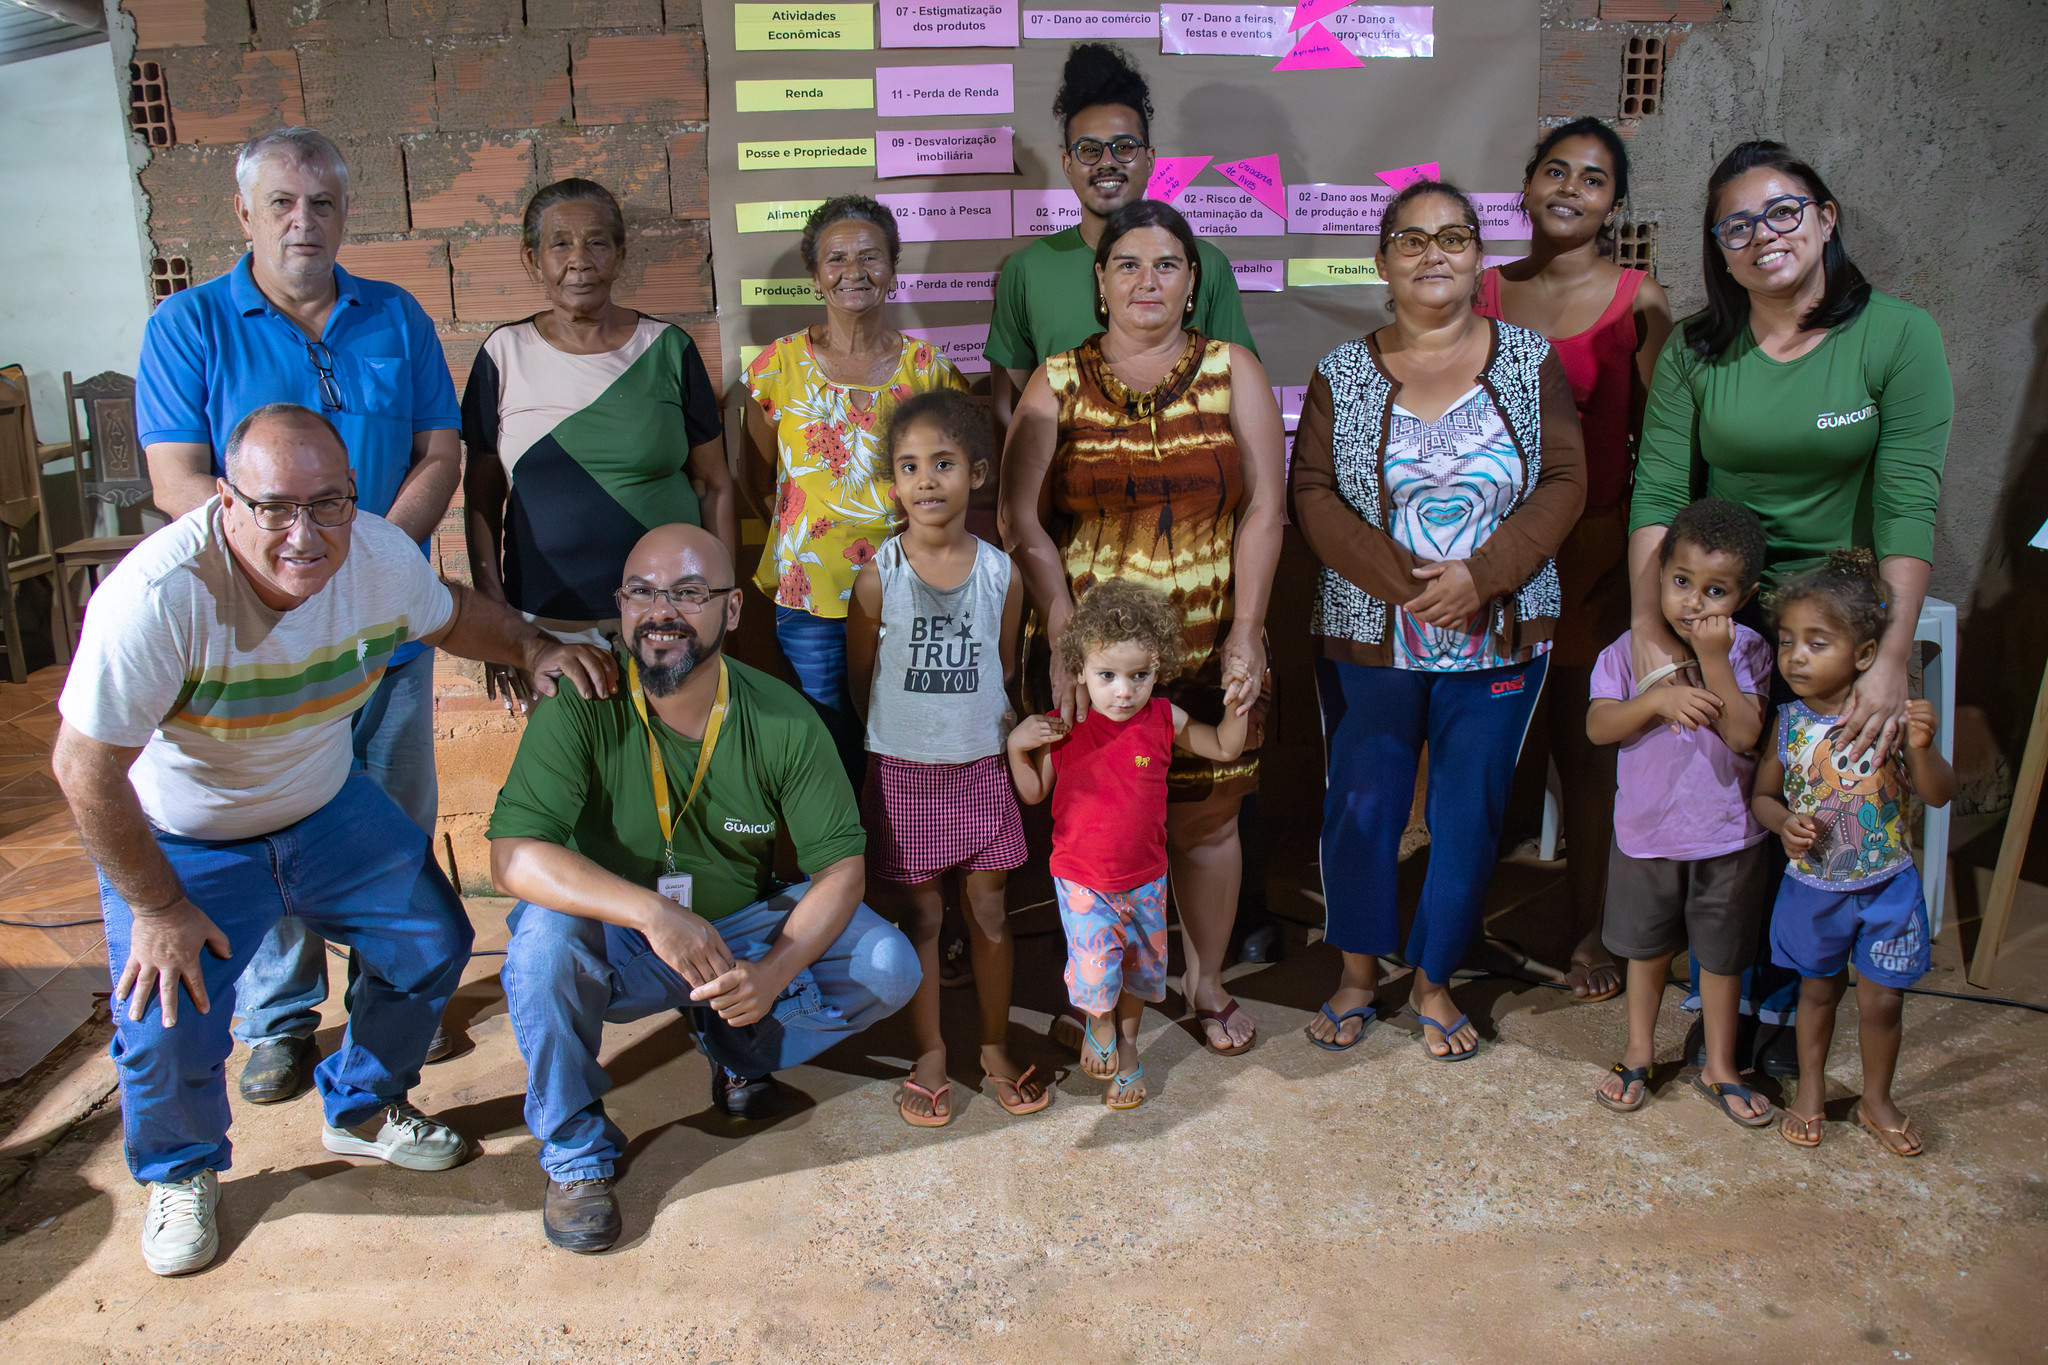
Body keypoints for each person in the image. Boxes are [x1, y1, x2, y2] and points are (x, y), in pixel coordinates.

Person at [51, 404, 616, 1277]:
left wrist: (535, 646)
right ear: (225, 502)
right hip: (190, 836)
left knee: (431, 939)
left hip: (324, 806)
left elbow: (451, 614)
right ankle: (181, 1171)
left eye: (328, 503)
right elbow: (83, 768)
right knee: (164, 1014)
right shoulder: (161, 595)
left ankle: (359, 1105)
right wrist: (158, 902)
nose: (304, 532)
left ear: (354, 497)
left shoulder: (378, 554)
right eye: (275, 506)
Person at [136, 126, 465, 1101]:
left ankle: (392, 1001)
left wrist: (369, 561)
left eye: (321, 204)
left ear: (344, 213)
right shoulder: (191, 326)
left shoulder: (395, 316)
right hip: (256, 641)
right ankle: (279, 1020)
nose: (302, 222)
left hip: (380, 633)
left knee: (390, 821)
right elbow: (177, 478)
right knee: (272, 814)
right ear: (243, 212)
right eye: (281, 202)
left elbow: (437, 454)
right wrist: (290, 562)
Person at [490, 523, 921, 1254]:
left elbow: (842, 868)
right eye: (644, 593)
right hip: (625, 937)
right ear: (620, 605)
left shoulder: (781, 716)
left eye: (690, 593)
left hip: (737, 930)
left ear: (732, 611)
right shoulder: (579, 703)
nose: (663, 611)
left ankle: (733, 1042)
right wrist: (651, 911)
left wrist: (774, 969)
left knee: (890, 966)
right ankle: (576, 1155)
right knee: (539, 945)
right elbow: (512, 858)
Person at [1628, 141, 1954, 1071]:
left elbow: (1908, 500)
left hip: (1841, 618)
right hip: (1723, 606)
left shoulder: (1898, 335)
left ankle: (1808, 992)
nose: (1762, 235)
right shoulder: (1698, 348)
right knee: (1738, 811)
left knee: (1830, 800)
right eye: (1737, 224)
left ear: (1825, 216)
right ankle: (1734, 998)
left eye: (1781, 211)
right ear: (1718, 249)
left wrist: (1886, 655)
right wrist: (1662, 633)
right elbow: (1657, 494)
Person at [1289, 180, 1587, 1060]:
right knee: (1364, 807)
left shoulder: (1529, 361)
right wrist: (1412, 586)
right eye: (1411, 239)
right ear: (1381, 261)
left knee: (1467, 814)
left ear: (1478, 257)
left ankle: (1434, 980)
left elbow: (1566, 481)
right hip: (1371, 635)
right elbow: (1312, 493)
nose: (1433, 254)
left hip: (1497, 634)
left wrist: (1484, 578)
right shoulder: (1342, 373)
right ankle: (1353, 973)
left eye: (1453, 236)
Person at [1000, 198, 1285, 1057]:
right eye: (1128, 264)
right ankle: (1097, 993)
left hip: (1206, 648)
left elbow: (1268, 506)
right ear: (1100, 281)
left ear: (1193, 281)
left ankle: (1205, 980)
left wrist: (1249, 628)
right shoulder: (1053, 380)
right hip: (1093, 669)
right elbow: (1021, 517)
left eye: (1166, 264)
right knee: (1093, 829)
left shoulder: (1236, 368)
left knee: (1210, 823)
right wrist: (1060, 628)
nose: (1147, 280)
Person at [1476, 118, 1674, 1003]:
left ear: (1613, 205)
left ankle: (1591, 929)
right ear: (1524, 185)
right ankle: (1458, 921)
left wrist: (1650, 577)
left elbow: (1666, 447)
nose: (1570, 188)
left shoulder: (1642, 301)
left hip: (1593, 550)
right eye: (1554, 170)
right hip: (1483, 550)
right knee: (1478, 745)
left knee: (1585, 751)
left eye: (1593, 179)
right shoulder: (1479, 289)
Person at [845, 390, 1042, 1127]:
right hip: (903, 772)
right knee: (923, 916)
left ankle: (992, 1044)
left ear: (978, 474)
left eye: (944, 464)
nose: (926, 480)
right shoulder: (879, 576)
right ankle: (929, 1049)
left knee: (988, 909)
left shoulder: (1001, 574)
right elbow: (861, 677)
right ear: (892, 483)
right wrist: (903, 735)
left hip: (981, 766)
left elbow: (1005, 670)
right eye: (910, 466)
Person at [462, 177, 735, 703]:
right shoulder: (503, 354)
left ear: (620, 253)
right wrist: (496, 622)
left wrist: (719, 604)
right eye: (560, 243)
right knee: (570, 776)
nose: (579, 259)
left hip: (669, 614)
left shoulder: (669, 349)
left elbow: (714, 485)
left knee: (673, 771)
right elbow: (480, 500)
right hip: (547, 625)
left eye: (597, 242)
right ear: (532, 259)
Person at [744, 195, 969, 785]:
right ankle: (848, 866)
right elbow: (757, 477)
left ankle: (906, 859)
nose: (854, 272)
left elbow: (956, 484)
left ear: (893, 267)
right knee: (830, 735)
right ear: (814, 274)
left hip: (911, 590)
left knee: (903, 733)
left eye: (871, 256)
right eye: (836, 258)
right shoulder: (777, 368)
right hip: (810, 591)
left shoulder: (931, 370)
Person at [1006, 579, 1251, 1108]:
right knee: (1097, 973)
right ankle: (1099, 1024)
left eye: (1140, 675)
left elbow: (1226, 746)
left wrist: (1239, 702)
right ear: (1079, 673)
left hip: (1145, 881)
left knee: (1139, 975)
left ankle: (1130, 1050)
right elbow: (1032, 793)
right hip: (1083, 883)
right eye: (1107, 676)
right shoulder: (1066, 728)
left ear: (1158, 668)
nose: (1124, 691)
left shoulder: (1164, 718)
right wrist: (1016, 748)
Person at [1750, 549, 1955, 1155]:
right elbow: (1761, 796)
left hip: (1888, 887)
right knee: (1816, 993)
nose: (1796, 656)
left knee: (1883, 999)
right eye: (1788, 641)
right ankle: (1810, 1089)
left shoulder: (1888, 719)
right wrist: (1783, 823)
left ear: (1865, 655)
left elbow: (1940, 796)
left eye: (1817, 642)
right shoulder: (1785, 722)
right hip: (1814, 888)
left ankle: (1876, 1098)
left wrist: (1920, 748)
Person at [1586, 499, 1774, 1126]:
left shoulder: (1746, 651)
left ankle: (1720, 1064)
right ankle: (1640, 1051)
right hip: (1647, 835)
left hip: (1726, 835)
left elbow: (1746, 734)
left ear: (1743, 596)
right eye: (1681, 582)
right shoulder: (1626, 651)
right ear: (1660, 574)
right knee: (1646, 952)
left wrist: (1715, 662)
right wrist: (1656, 703)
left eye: (1715, 590)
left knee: (1721, 959)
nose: (1694, 602)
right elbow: (1598, 724)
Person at [986, 42, 1256, 430]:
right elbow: (1010, 413)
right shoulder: (1026, 270)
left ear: (1150, 160)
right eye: (1089, 150)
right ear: (1067, 164)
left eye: (1124, 147)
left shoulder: (1205, 263)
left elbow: (1240, 398)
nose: (1107, 162)